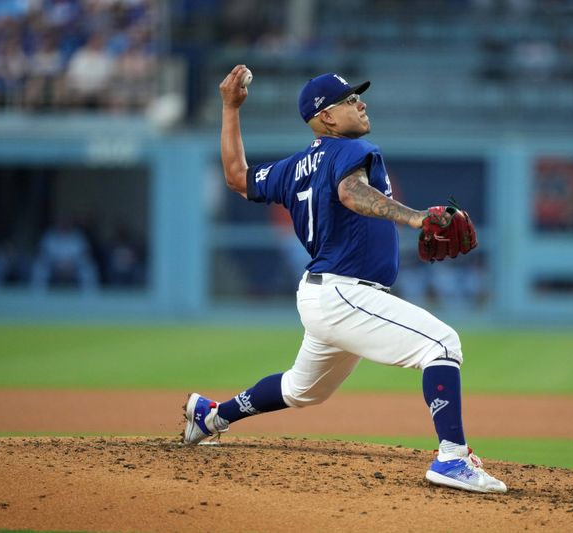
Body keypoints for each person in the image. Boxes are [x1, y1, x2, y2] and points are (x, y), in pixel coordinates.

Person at [182, 65, 507, 494]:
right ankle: (451, 457)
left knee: (302, 390)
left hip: (325, 296)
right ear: (328, 117)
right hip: (343, 292)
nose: (362, 103)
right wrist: (413, 218)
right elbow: (350, 192)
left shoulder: (293, 167)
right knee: (442, 344)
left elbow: (237, 177)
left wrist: (230, 109)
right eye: (351, 99)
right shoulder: (351, 151)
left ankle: (211, 415)